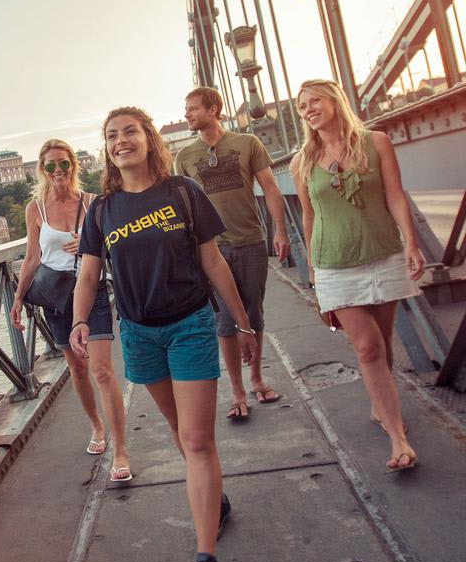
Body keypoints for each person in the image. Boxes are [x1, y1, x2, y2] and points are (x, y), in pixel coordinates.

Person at [70, 107, 257, 562]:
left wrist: (240, 323)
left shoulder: (183, 193)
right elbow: (88, 275)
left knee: (196, 440)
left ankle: (206, 558)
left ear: (149, 139)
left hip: (190, 325)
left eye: (130, 131)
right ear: (106, 149)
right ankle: (212, 497)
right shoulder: (102, 210)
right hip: (139, 334)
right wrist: (80, 320)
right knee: (180, 430)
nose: (121, 141)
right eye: (111, 135)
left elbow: (213, 261)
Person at [291, 79, 423, 472]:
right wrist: (313, 267)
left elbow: (395, 195)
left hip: (382, 254)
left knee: (382, 340)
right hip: (334, 261)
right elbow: (309, 215)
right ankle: (398, 437)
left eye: (315, 100)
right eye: (301, 106)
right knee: (366, 346)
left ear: (334, 101)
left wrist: (411, 243)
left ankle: (381, 406)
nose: (308, 109)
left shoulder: (376, 142)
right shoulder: (302, 161)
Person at [11, 139, 130, 481]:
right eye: (51, 166)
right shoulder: (35, 209)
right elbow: (33, 257)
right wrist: (19, 298)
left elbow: (116, 246)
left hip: (90, 293)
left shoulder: (93, 203)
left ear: (74, 165)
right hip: (57, 298)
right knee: (77, 370)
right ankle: (96, 426)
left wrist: (95, 245)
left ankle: (120, 451)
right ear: (42, 169)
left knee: (102, 370)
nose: (58, 171)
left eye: (64, 164)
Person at [176, 86, 290, 419]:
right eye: (186, 109)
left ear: (213, 109)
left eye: (193, 108)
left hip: (251, 241)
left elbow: (270, 187)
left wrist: (280, 231)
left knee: (253, 313)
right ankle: (237, 390)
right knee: (224, 320)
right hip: (211, 249)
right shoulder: (184, 156)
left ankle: (256, 378)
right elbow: (182, 208)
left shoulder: (247, 144)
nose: (187, 115)